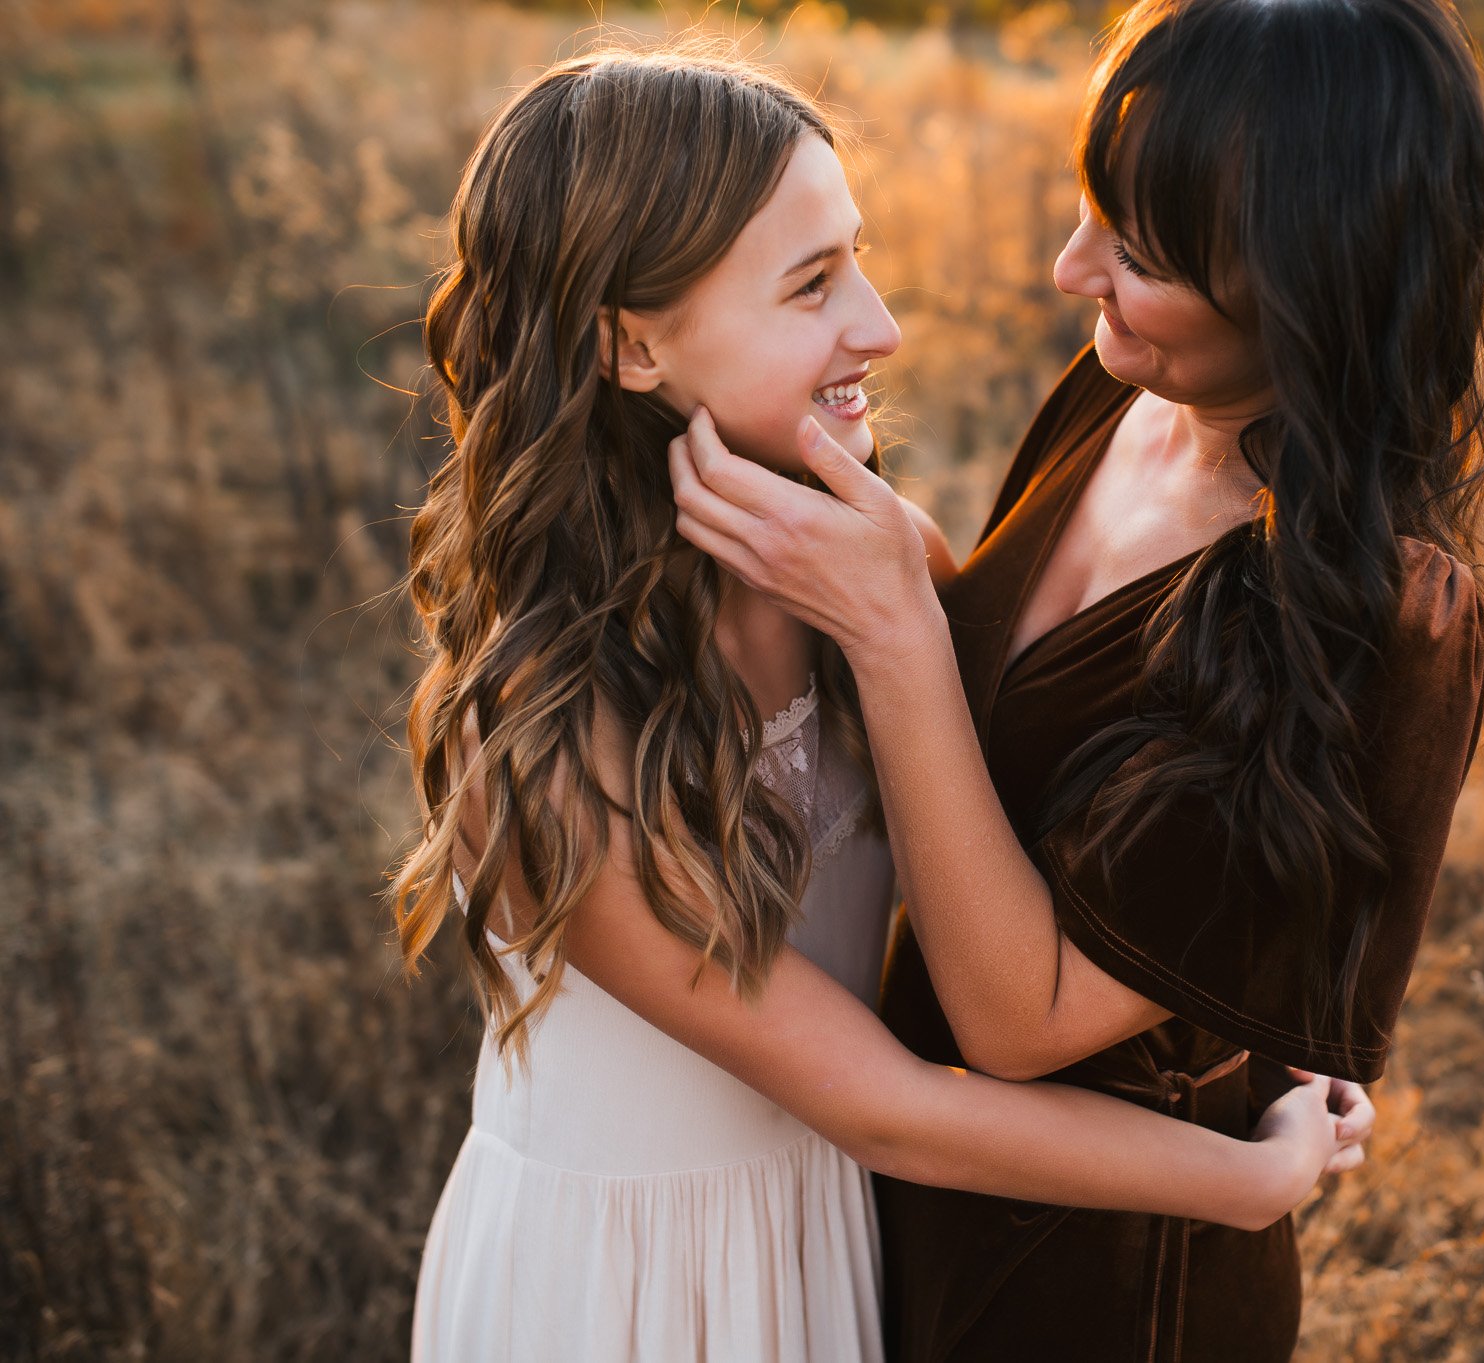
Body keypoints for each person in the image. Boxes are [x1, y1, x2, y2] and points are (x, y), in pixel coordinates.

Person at [388, 44, 1371, 1363]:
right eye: (811, 286)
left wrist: (1244, 1031)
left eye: (856, 255)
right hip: (626, 1284)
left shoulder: (873, 557)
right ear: (631, 343)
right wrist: (1246, 1179)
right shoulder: (551, 733)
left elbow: (1027, 854)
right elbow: (891, 1109)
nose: (881, 324)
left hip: (834, 1236)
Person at [666, 0, 1484, 1356]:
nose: (1073, 270)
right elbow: (1007, 716)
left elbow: (1027, 1020)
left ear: (1314, 284)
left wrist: (895, 626)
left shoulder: (1372, 617)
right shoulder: (1135, 399)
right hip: (915, 1179)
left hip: (1105, 1274)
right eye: (1091, 211)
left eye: (1137, 254)